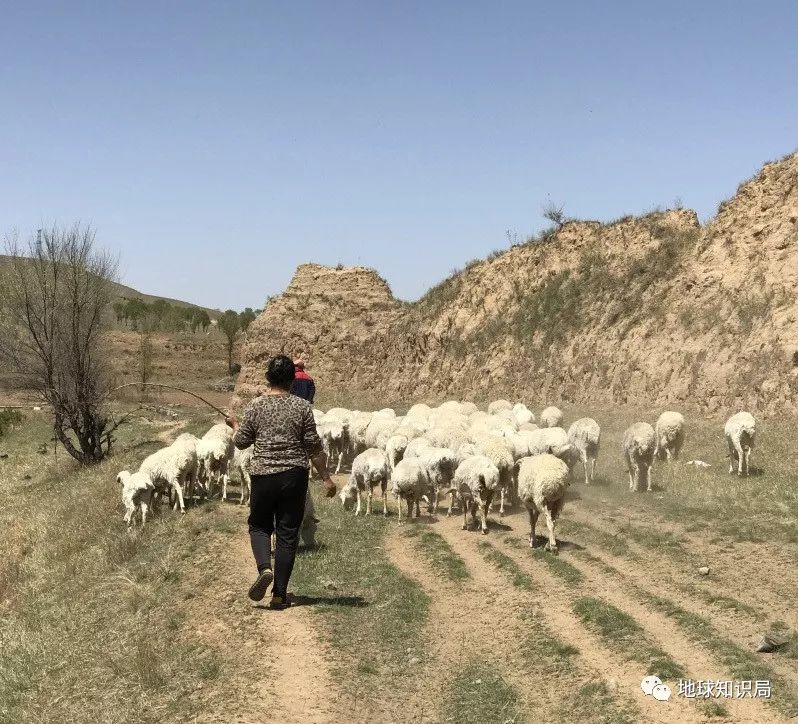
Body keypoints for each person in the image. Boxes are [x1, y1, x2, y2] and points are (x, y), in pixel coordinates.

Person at [225, 355, 336, 609]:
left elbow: (241, 441)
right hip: (294, 476)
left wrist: (235, 425)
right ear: (292, 381)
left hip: (263, 474)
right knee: (287, 534)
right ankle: (279, 594)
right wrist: (326, 478)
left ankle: (265, 568)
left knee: (260, 526)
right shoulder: (302, 407)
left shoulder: (256, 406)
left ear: (268, 378)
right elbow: (313, 447)